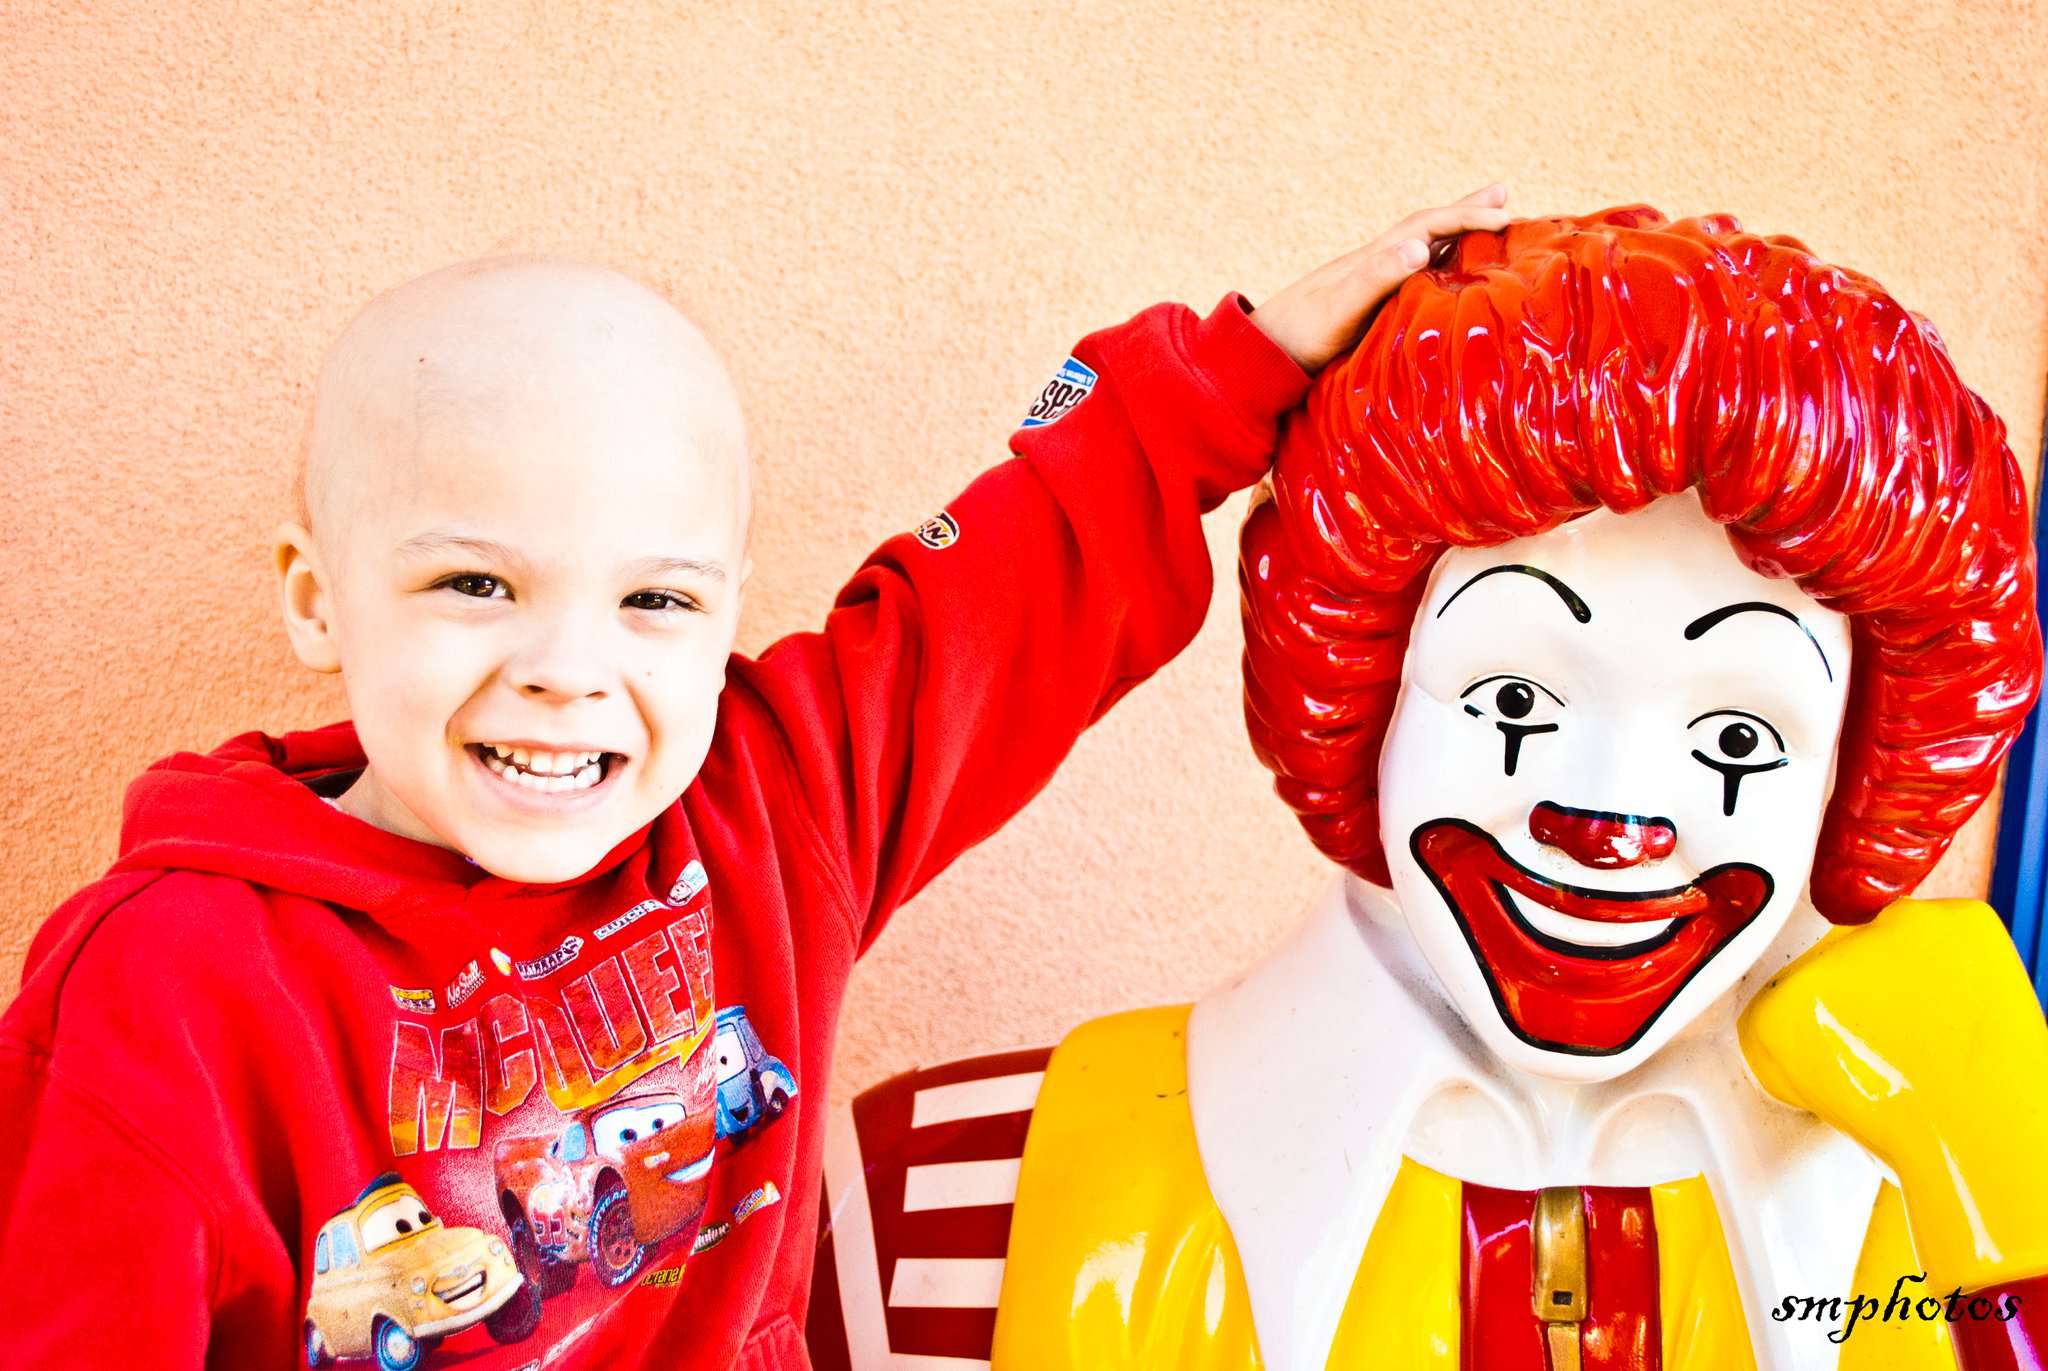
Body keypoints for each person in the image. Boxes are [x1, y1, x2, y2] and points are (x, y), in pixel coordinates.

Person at [0, 188, 1512, 1370]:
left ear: (727, 602)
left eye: (653, 601)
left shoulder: (768, 805)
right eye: (476, 582)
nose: (570, 669)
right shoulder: (170, 985)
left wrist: (1237, 366)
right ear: (318, 599)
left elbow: (1002, 590)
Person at [808, 208, 2048, 1371]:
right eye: (1513, 699)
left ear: (1854, 777)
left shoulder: (1961, 1226)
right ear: (1360, 695)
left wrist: (2016, 1213)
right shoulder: (931, 1210)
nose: (1612, 817)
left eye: (1733, 737)